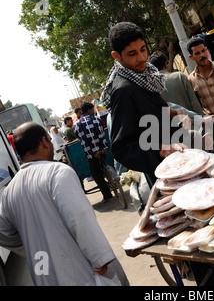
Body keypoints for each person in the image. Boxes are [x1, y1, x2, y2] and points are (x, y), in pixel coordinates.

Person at [0, 122, 129, 286]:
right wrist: (100, 257)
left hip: (43, 275)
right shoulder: (57, 172)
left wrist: (31, 244)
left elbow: (3, 233)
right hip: (79, 273)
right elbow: (80, 218)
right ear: (44, 142)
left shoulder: (9, 192)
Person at [100, 22, 188, 185]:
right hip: (167, 177)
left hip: (182, 161)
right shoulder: (123, 90)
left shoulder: (145, 76)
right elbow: (123, 148)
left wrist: (171, 113)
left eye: (142, 50)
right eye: (132, 53)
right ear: (117, 56)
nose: (141, 58)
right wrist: (160, 149)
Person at [74, 102, 113, 202]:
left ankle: (107, 195)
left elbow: (79, 138)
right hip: (103, 149)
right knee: (106, 164)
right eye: (92, 109)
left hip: (91, 154)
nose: (94, 111)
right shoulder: (97, 119)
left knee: (96, 174)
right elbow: (101, 132)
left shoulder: (77, 125)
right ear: (89, 110)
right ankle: (112, 179)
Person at [148, 52, 204, 116]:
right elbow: (194, 103)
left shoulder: (149, 87)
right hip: (191, 123)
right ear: (165, 64)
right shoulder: (180, 77)